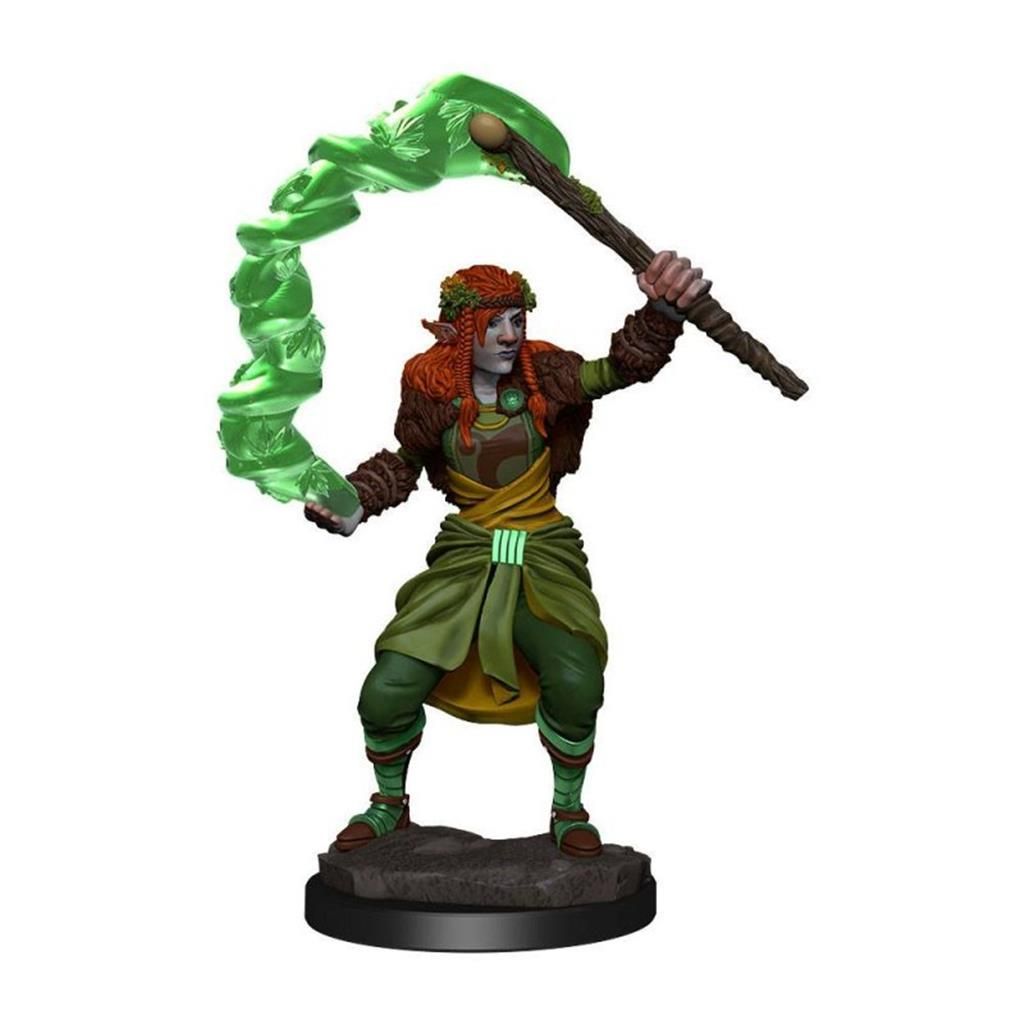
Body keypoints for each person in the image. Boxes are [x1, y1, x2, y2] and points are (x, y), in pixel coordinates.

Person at [305, 252, 709, 857]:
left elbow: (617, 370)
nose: (508, 335)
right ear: (456, 331)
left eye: (516, 320)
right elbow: (404, 463)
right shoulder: (431, 390)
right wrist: (353, 503)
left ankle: (568, 808)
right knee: (386, 688)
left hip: (544, 556)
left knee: (576, 679)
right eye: (492, 323)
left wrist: (662, 311)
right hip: (466, 560)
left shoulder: (545, 375)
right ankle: (389, 803)